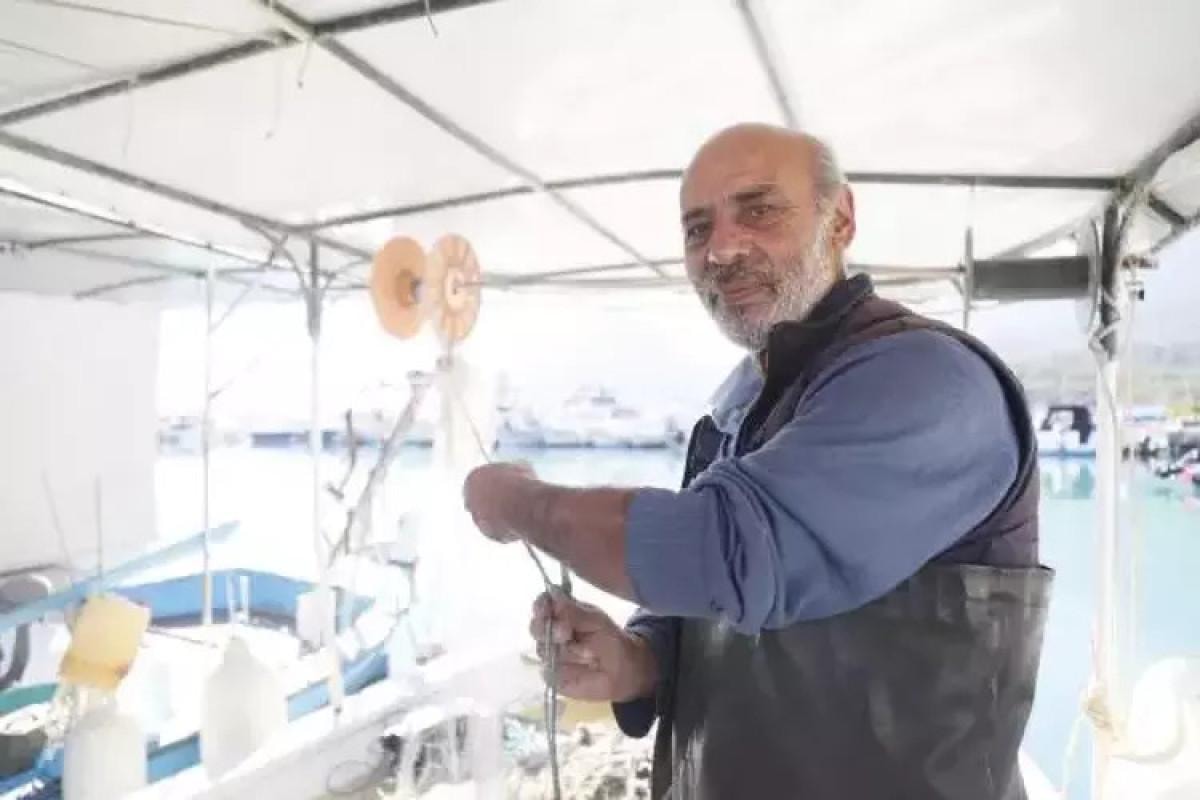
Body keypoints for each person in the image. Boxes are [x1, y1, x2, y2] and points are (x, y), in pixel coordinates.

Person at [463, 123, 1052, 800]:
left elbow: (732, 553)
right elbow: (711, 612)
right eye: (697, 230)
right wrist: (637, 660)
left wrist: (519, 503)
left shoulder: (931, 382)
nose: (722, 249)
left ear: (840, 219)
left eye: (760, 210)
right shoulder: (738, 402)